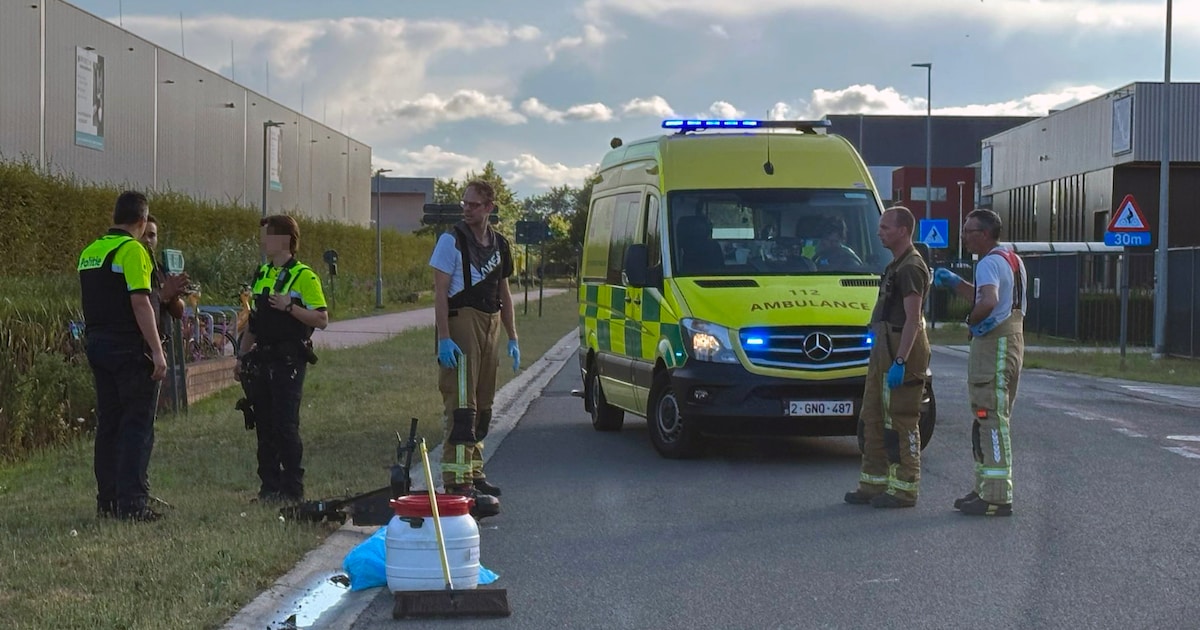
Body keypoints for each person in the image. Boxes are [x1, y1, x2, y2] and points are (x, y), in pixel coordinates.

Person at [77, 191, 168, 521]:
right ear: (142, 221)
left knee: (110, 424)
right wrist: (157, 351)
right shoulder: (133, 250)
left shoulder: (91, 251)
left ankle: (108, 501)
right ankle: (133, 504)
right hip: (129, 347)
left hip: (98, 343)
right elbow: (141, 302)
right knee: (137, 425)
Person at [933, 209, 1026, 517]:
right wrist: (958, 284)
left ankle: (997, 495)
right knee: (992, 417)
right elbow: (993, 297)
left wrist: (969, 322)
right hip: (1012, 340)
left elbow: (987, 301)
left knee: (989, 418)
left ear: (984, 234)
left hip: (993, 345)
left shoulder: (987, 263)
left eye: (969, 232)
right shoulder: (1010, 259)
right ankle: (985, 489)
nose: (964, 237)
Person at [430, 180, 519, 497]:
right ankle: (456, 481)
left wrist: (512, 336)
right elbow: (440, 292)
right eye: (464, 203)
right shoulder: (450, 241)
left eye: (473, 204)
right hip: (461, 323)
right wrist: (443, 337)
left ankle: (475, 471)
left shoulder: (500, 245)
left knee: (483, 405)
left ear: (489, 208)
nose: (466, 209)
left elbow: (504, 293)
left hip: (490, 322)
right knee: (462, 406)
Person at [234, 215, 328, 503]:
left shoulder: (304, 276)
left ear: (285, 239)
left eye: (267, 236)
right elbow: (254, 322)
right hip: (262, 358)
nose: (263, 242)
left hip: (288, 361)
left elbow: (322, 319)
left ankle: (292, 489)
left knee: (285, 425)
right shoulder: (262, 273)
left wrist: (290, 308)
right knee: (263, 424)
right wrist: (241, 356)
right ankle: (269, 488)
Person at [844, 206, 931, 509]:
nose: (879, 232)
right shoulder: (896, 265)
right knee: (873, 416)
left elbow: (912, 318)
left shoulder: (911, 268)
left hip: (898, 349)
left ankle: (905, 488)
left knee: (902, 420)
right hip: (883, 348)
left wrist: (901, 361)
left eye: (885, 228)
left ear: (903, 231)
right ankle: (873, 483)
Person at [140, 215, 189, 414]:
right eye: (143, 234)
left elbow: (178, 312)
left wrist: (174, 296)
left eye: (152, 235)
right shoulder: (130, 265)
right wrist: (162, 295)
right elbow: (138, 306)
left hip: (155, 349)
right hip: (136, 349)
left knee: (147, 416)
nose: (147, 240)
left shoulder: (159, 269)